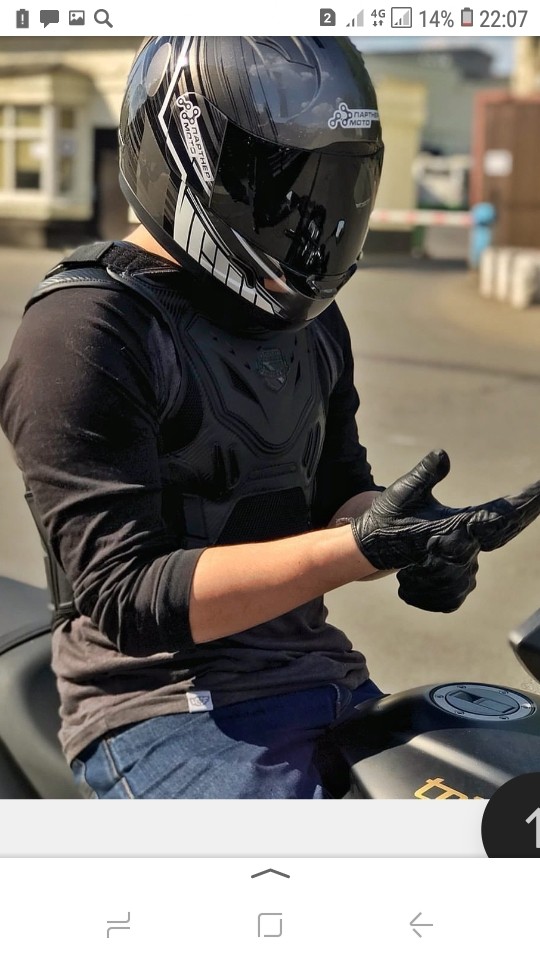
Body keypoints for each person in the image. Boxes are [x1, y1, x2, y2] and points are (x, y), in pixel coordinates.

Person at [1, 36, 540, 800]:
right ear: (197, 162)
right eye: (286, 190)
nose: (311, 224)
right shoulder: (84, 330)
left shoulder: (309, 321)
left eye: (332, 191)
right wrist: (356, 549)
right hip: (163, 704)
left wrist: (416, 537)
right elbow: (128, 598)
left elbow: (338, 492)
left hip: (314, 667)